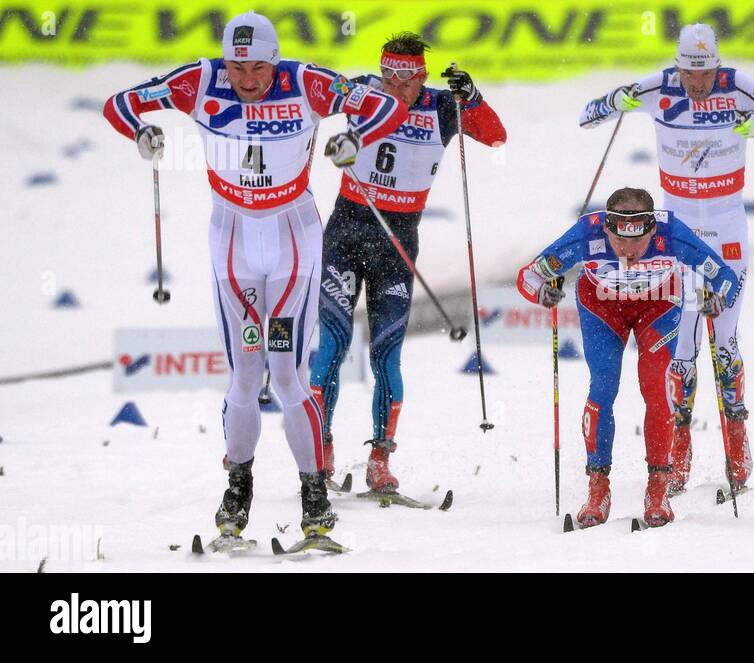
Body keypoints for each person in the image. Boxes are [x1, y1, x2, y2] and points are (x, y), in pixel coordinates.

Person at [102, 12, 408, 544]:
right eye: (236, 66)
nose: (246, 79)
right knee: (244, 376)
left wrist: (354, 136)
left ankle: (315, 499)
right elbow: (120, 104)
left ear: (275, 60)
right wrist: (143, 131)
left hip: (293, 241)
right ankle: (238, 490)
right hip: (233, 241)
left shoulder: (305, 81)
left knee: (287, 374)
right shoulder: (200, 80)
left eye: (257, 68)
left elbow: (386, 105)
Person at [578, 24, 754, 495]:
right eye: (689, 74)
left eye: (705, 74)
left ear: (717, 66)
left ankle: (736, 441)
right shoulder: (658, 86)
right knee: (680, 350)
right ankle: (679, 449)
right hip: (675, 232)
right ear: (678, 66)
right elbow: (587, 116)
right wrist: (614, 103)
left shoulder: (739, 86)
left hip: (727, 228)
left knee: (725, 342)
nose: (697, 84)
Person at [308, 32, 506, 494]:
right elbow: (310, 104)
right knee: (332, 347)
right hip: (347, 231)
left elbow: (496, 137)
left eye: (406, 77)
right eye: (388, 75)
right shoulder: (363, 92)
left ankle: (380, 459)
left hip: (398, 242)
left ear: (422, 75)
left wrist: (471, 96)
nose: (395, 85)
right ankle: (320, 452)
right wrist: (332, 143)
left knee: (386, 355)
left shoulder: (441, 106)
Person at [516, 187, 740, 527]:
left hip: (659, 304)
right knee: (603, 387)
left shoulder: (672, 233)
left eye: (639, 242)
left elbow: (725, 277)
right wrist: (542, 291)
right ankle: (597, 487)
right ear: (606, 228)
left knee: (655, 389)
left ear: (653, 229)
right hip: (602, 307)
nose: (628, 251)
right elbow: (528, 276)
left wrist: (718, 298)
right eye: (619, 241)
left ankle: (658, 487)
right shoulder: (587, 233)